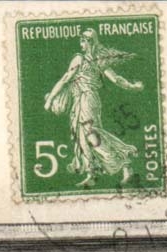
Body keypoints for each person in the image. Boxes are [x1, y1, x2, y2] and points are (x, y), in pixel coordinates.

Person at [44, 28, 144, 187]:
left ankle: (125, 164)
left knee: (92, 136)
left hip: (86, 100)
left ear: (89, 42)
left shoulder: (79, 59)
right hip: (84, 100)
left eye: (83, 41)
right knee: (82, 138)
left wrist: (50, 99)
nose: (81, 44)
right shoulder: (99, 61)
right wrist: (133, 86)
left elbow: (65, 79)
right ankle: (92, 174)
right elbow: (116, 79)